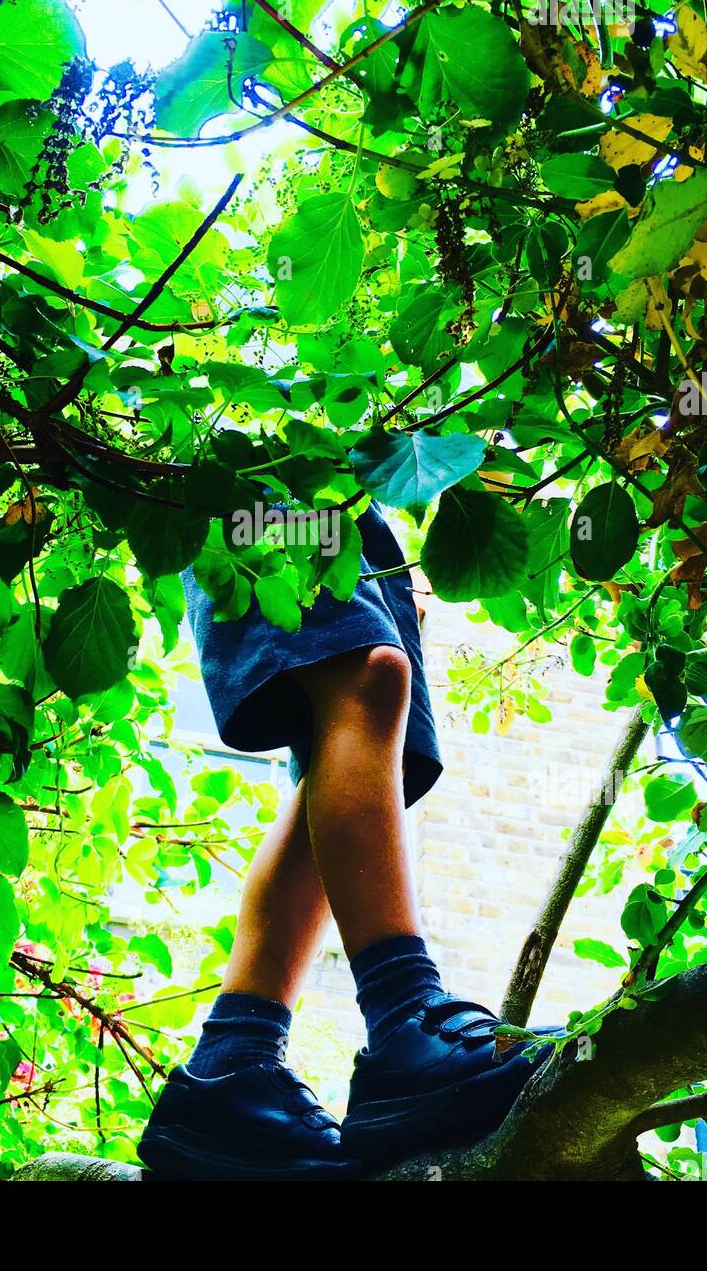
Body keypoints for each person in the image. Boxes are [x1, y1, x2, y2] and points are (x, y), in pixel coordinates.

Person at [137, 502, 553, 1179]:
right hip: (252, 439)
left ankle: (230, 1069)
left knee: (357, 746)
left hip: (355, 478)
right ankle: (404, 1018)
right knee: (367, 676)